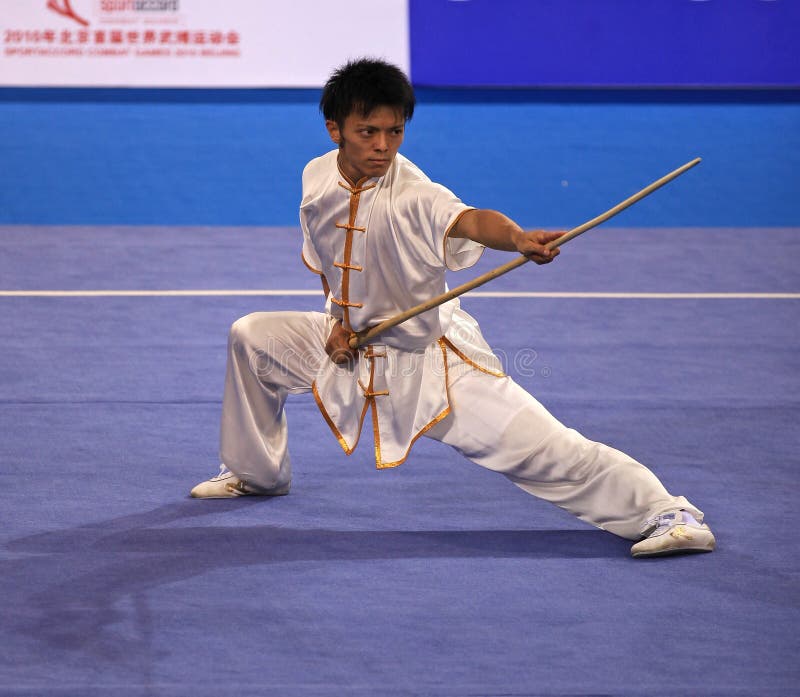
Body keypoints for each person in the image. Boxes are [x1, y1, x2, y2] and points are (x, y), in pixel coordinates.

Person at [190, 58, 715, 558]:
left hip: (425, 360)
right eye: (367, 132)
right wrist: (336, 324)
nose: (382, 146)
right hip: (356, 345)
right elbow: (334, 262)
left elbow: (471, 219)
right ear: (335, 130)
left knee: (542, 449)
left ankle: (670, 514)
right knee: (254, 337)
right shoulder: (317, 177)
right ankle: (256, 474)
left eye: (394, 132)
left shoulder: (414, 194)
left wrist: (518, 237)